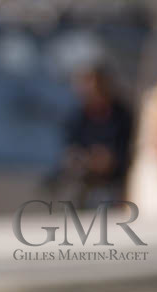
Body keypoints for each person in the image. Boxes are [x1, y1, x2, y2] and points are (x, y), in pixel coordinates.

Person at [48, 62, 134, 206]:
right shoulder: (78, 117)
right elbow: (70, 149)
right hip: (84, 182)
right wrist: (82, 159)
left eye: (96, 87)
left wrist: (109, 160)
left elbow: (128, 151)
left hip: (117, 185)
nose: (91, 92)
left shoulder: (122, 116)